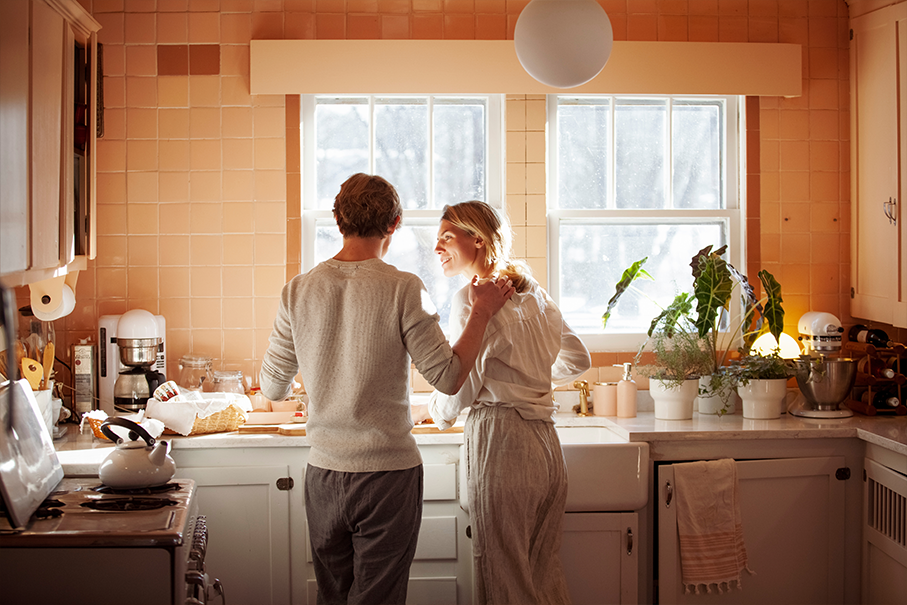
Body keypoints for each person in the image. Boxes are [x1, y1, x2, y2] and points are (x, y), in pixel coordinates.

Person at [259, 174, 514, 605]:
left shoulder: (297, 291)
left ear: (338, 219)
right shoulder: (404, 288)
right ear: (394, 223)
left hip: (323, 475)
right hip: (388, 477)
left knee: (333, 597)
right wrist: (481, 314)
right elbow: (449, 378)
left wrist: (321, 365)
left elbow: (272, 387)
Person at [417, 200, 591, 605]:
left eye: (446, 237)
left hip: (502, 444)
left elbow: (460, 387)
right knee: (543, 573)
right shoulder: (535, 293)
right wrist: (530, 378)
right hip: (546, 445)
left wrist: (433, 411)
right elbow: (578, 359)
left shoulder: (472, 300)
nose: (437, 248)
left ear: (476, 239)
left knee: (504, 579)